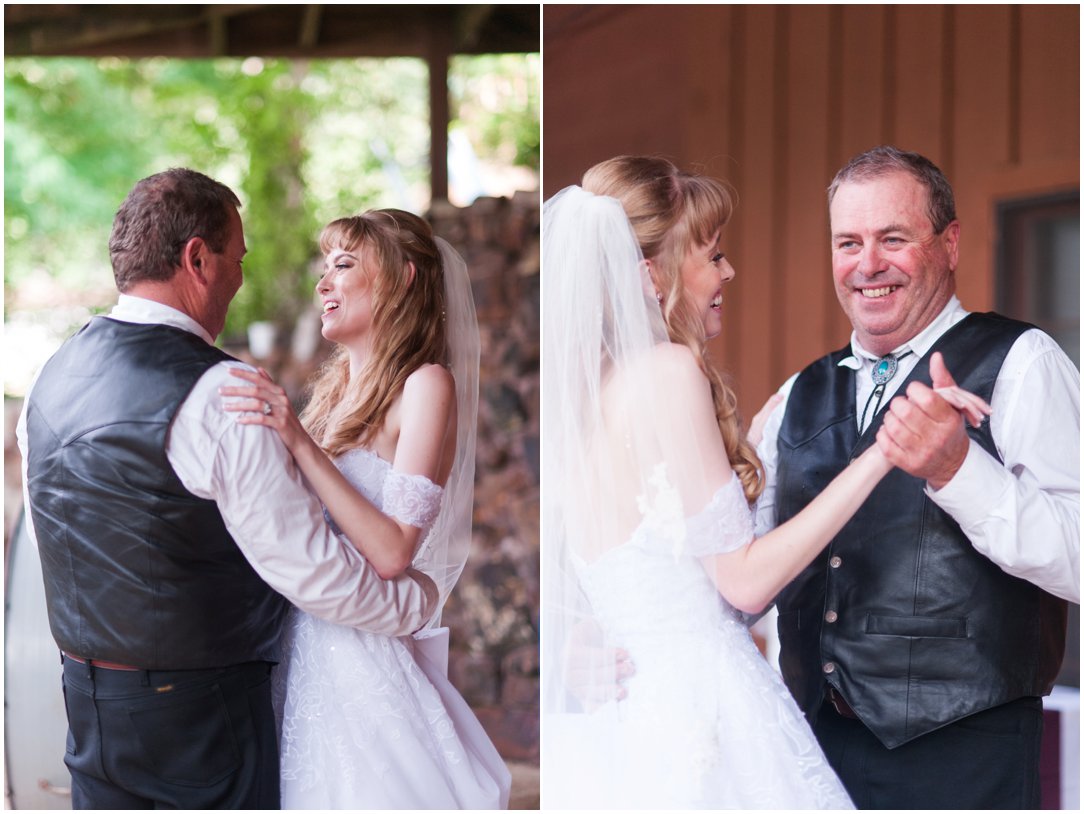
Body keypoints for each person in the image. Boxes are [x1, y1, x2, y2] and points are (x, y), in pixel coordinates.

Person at [539, 156, 988, 809]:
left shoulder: (585, 401)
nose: (728, 272)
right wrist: (883, 449)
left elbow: (646, 563)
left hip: (629, 721)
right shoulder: (666, 372)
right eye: (712, 255)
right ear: (651, 274)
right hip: (706, 712)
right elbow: (742, 580)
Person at [16, 169, 438, 809]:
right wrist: (419, 605)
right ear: (197, 260)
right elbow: (311, 571)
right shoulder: (220, 394)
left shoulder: (52, 375)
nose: (240, 280)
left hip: (86, 706)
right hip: (199, 721)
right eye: (236, 259)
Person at [756, 145, 1078, 809]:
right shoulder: (795, 396)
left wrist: (961, 471)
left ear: (950, 243)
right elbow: (745, 566)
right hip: (809, 754)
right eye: (848, 242)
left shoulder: (1023, 363)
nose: (867, 264)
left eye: (893, 238)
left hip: (965, 757)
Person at [218, 209, 511, 809]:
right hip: (295, 646)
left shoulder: (427, 385)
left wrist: (297, 440)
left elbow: (394, 549)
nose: (324, 284)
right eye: (324, 268)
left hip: (358, 662)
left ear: (403, 278)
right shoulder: (333, 395)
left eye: (344, 265)